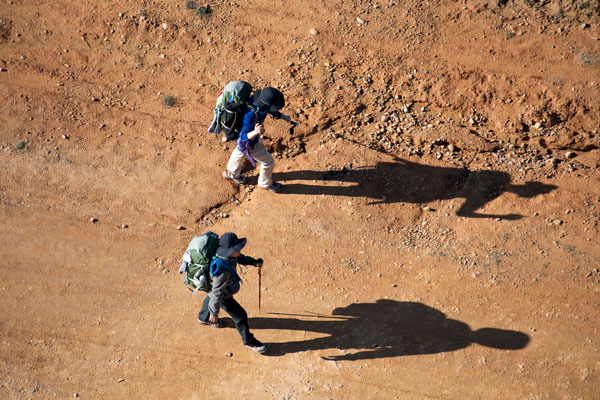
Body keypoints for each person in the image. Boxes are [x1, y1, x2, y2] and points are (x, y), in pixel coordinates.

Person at [197, 232, 267, 353]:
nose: (239, 249)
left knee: (209, 296)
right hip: (224, 295)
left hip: (215, 287)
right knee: (240, 316)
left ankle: (203, 318)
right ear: (229, 251)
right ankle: (249, 341)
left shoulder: (228, 255)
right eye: (237, 248)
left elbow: (241, 258)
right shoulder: (222, 271)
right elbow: (217, 292)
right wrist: (214, 313)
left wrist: (253, 262)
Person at [222, 87, 291, 193]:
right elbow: (243, 137)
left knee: (240, 152)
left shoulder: (257, 100)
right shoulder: (250, 116)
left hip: (244, 142)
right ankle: (265, 183)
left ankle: (230, 173)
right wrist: (255, 132)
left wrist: (282, 116)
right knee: (269, 162)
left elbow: (269, 110)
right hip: (249, 142)